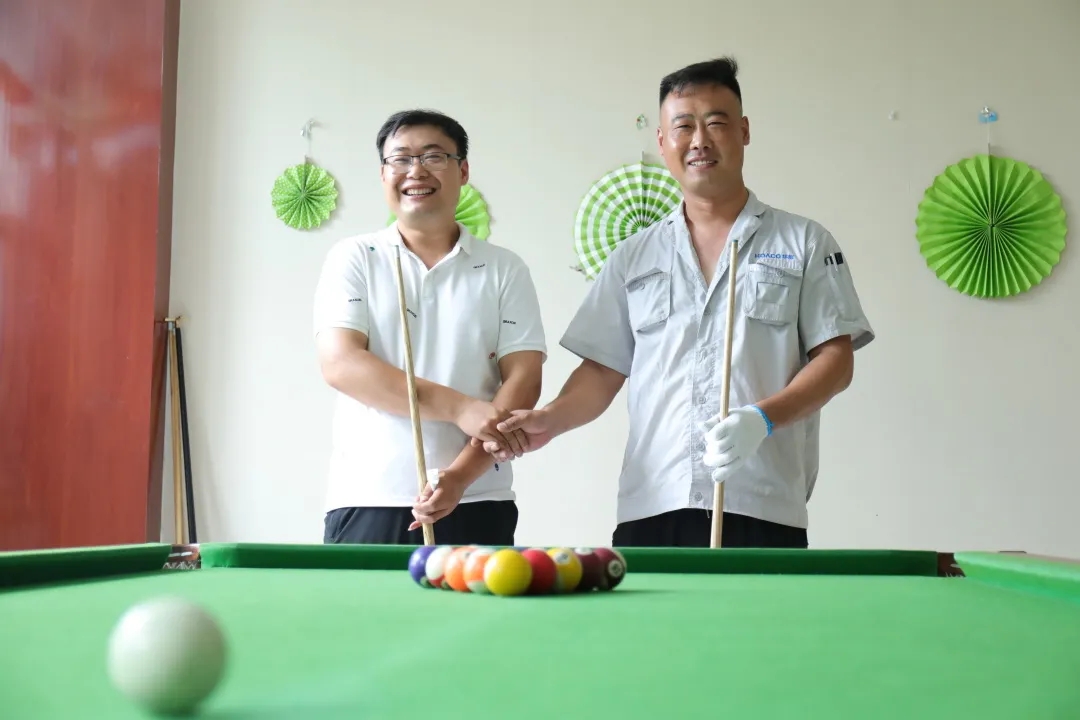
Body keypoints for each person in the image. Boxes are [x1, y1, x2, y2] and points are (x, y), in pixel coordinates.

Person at [484, 57, 874, 548]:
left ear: (744, 131)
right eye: (683, 126)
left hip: (762, 500)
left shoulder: (804, 242)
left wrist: (763, 418)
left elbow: (835, 362)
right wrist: (549, 419)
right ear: (663, 142)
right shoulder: (635, 255)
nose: (699, 141)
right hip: (653, 502)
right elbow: (602, 371)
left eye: (716, 123)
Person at [313, 109, 546, 546]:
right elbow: (341, 365)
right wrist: (461, 408)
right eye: (400, 159)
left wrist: (459, 477)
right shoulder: (355, 257)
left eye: (433, 156)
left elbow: (524, 379)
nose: (415, 171)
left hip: (478, 497)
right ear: (383, 174)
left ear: (463, 171)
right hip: (369, 497)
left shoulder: (504, 268)